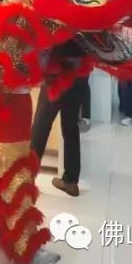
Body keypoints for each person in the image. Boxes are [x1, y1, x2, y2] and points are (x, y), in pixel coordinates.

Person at [30, 41, 86, 197]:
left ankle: (28, 178)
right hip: (79, 70)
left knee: (41, 125)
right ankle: (71, 181)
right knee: (71, 127)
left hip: (56, 72)